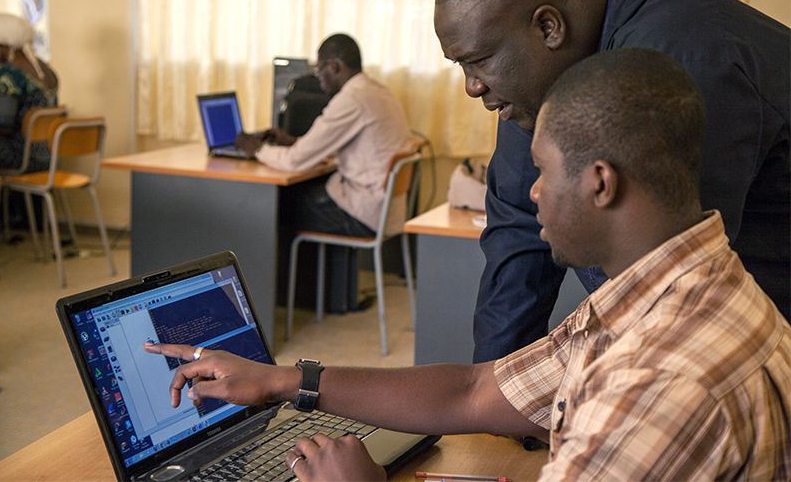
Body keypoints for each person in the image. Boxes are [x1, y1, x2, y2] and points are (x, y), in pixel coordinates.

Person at [145, 50, 791, 481]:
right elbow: (476, 390)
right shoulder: (685, 290)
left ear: (600, 183)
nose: (531, 191)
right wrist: (282, 381)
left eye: (541, 171)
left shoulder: (657, 387)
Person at [433, 0, 791, 363]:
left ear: (549, 27)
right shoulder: (534, 84)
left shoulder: (681, 61)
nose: (472, 87)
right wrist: (490, 406)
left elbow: (663, 289)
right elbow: (516, 243)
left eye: (478, 61)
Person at [236, 33, 413, 238]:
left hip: (364, 214)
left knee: (274, 208)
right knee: (297, 197)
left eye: (319, 70)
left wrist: (257, 149)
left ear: (334, 67)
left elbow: (295, 161)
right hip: (387, 212)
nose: (318, 77)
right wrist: (294, 142)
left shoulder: (351, 100)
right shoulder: (378, 91)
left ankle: (290, 270)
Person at [0, 12, 59, 173]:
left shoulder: (7, 74)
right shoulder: (46, 70)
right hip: (48, 156)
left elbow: (4, 127)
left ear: (0, 45)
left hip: (21, 156)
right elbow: (29, 106)